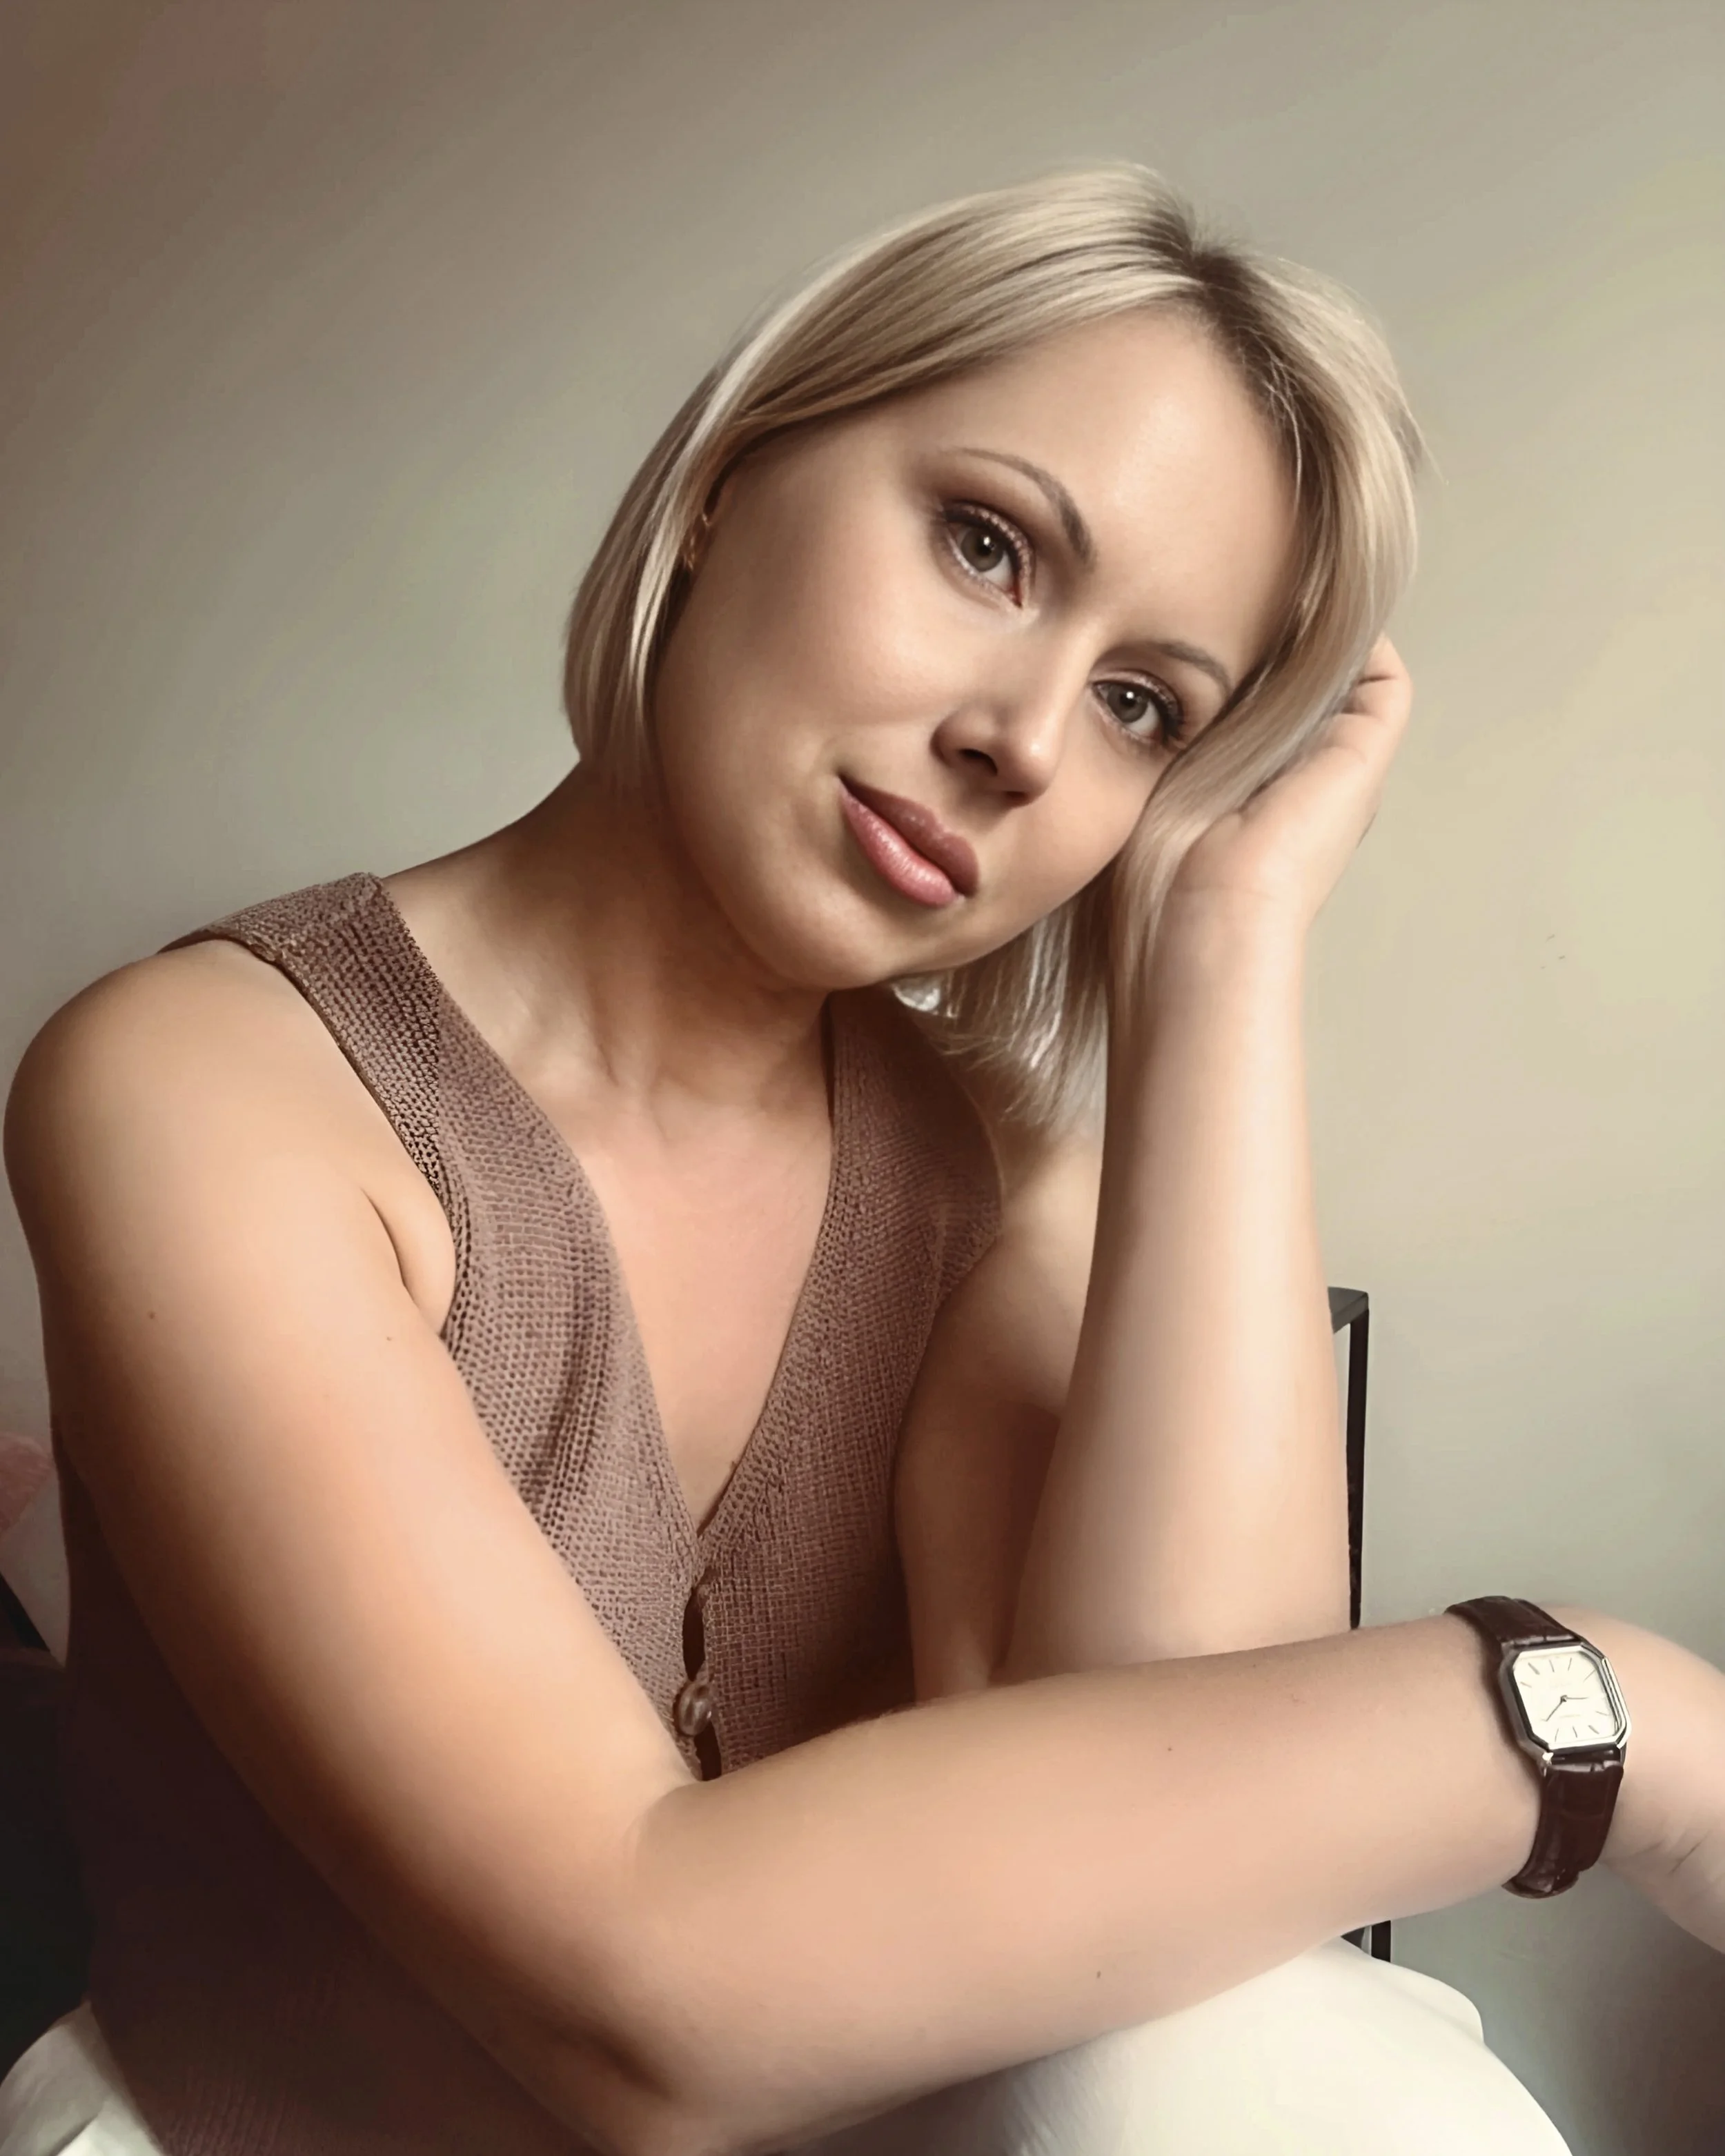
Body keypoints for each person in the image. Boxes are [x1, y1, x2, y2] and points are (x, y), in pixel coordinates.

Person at [1, 165, 1721, 2156]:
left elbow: (1192, 1861)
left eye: (1142, 706)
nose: (1024, 739)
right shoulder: (202, 1084)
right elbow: (634, 2001)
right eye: (989, 545)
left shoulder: (986, 1175)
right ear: (732, 477)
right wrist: (1599, 1711)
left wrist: (1221, 945)